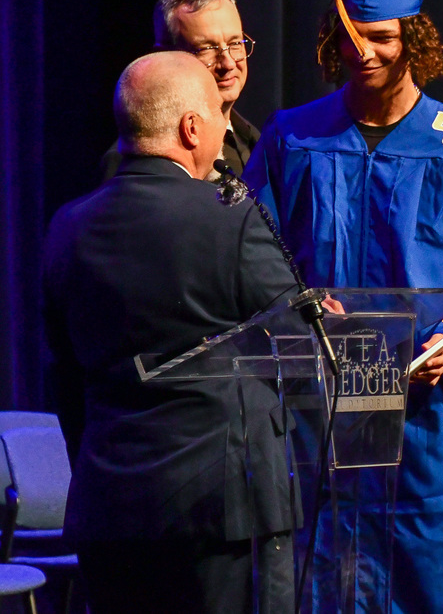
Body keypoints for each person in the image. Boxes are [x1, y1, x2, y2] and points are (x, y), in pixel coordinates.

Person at [242, 0, 443, 614]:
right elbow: (253, 260)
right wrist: (302, 312)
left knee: (433, 580)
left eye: (382, 36)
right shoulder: (294, 137)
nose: (363, 51)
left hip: (429, 423)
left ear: (414, 41)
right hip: (324, 416)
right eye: (350, 34)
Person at [43, 51, 300, 613]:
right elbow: (299, 345)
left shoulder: (67, 227)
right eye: (216, 119)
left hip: (111, 508)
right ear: (191, 127)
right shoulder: (230, 216)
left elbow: (63, 374)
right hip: (224, 515)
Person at [100, 0, 258, 181]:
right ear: (165, 56)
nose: (227, 63)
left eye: (234, 43)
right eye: (207, 49)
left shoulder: (255, 141)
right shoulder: (131, 163)